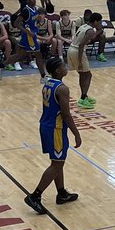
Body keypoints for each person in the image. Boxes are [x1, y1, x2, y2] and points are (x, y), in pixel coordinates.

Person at [25, 57, 83, 215]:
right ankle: (35, 196)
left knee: (57, 162)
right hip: (56, 129)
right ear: (58, 70)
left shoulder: (48, 83)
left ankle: (61, 193)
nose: (66, 68)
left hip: (46, 125)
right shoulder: (62, 89)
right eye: (63, 66)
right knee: (57, 164)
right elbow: (66, 114)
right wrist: (76, 133)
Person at [69, 11, 104, 108]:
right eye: (100, 22)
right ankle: (83, 98)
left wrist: (97, 33)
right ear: (95, 22)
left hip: (71, 49)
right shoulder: (90, 30)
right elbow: (81, 45)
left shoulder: (83, 26)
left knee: (82, 74)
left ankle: (84, 96)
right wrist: (80, 61)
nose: (101, 24)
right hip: (77, 51)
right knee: (88, 75)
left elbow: (86, 41)